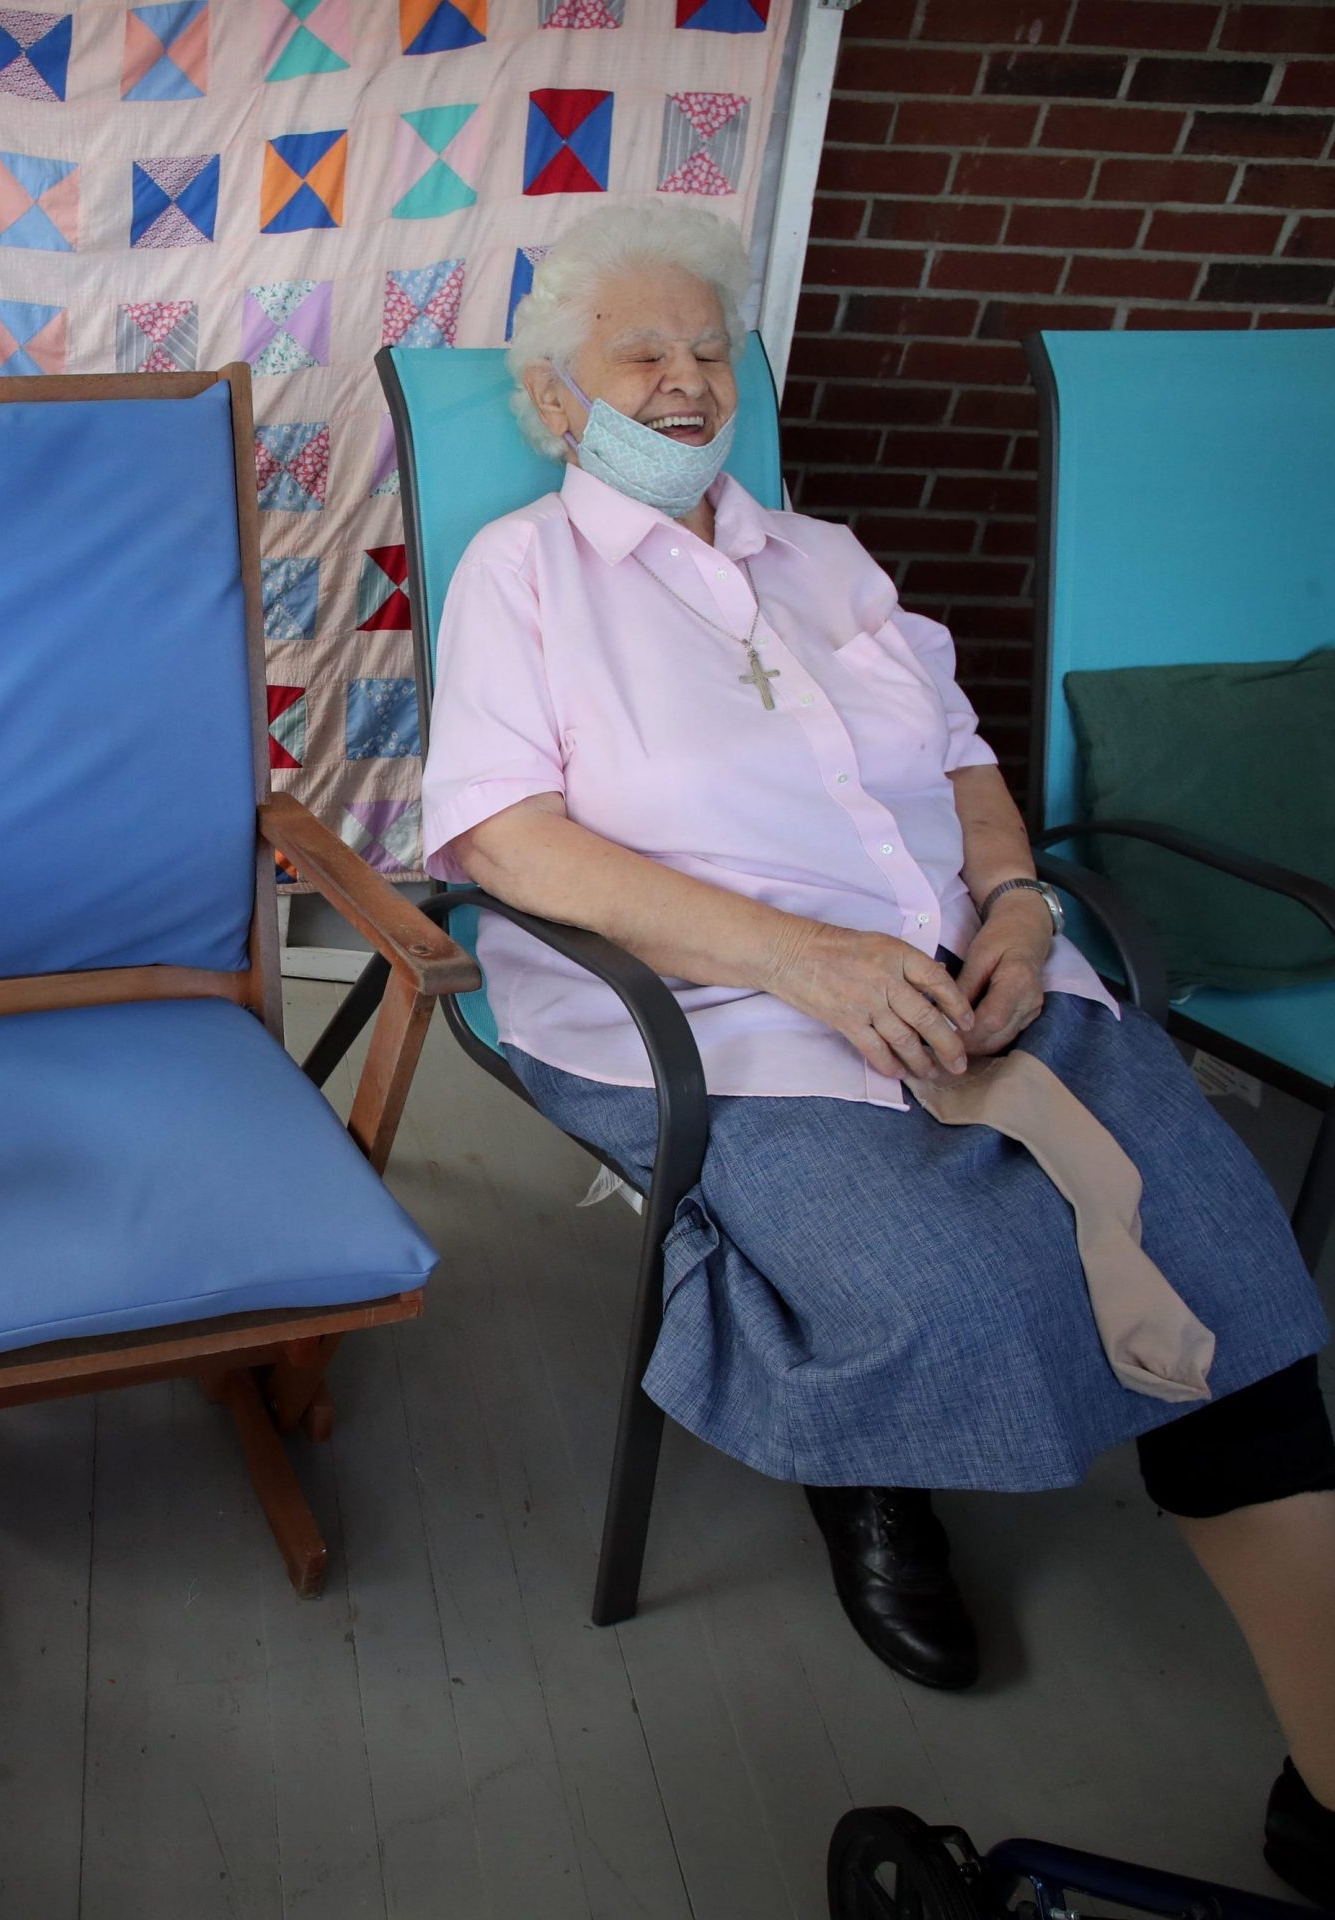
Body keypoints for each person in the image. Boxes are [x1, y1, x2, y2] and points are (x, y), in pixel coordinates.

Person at [424, 199, 1335, 1901]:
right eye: (644, 355)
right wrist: (804, 959)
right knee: (951, 1283)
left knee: (1232, 1269)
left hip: (963, 980)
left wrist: (1012, 905)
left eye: (710, 352)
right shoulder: (524, 576)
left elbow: (968, 753)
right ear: (560, 403)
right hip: (719, 1012)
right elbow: (503, 841)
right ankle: (874, 1477)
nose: (689, 382)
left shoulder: (825, 558)